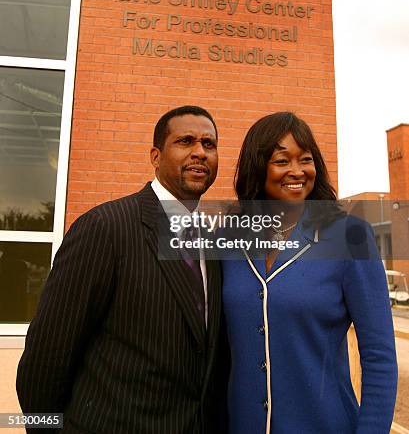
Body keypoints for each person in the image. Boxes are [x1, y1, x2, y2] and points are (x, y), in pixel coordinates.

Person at [17, 105, 224, 434]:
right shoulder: (104, 228)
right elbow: (46, 359)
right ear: (155, 156)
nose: (199, 152)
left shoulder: (215, 239)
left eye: (209, 144)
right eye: (185, 141)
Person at [222, 111, 397, 434]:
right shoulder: (230, 239)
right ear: (257, 168)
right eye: (282, 160)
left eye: (306, 159)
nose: (297, 171)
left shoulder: (349, 236)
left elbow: (380, 357)